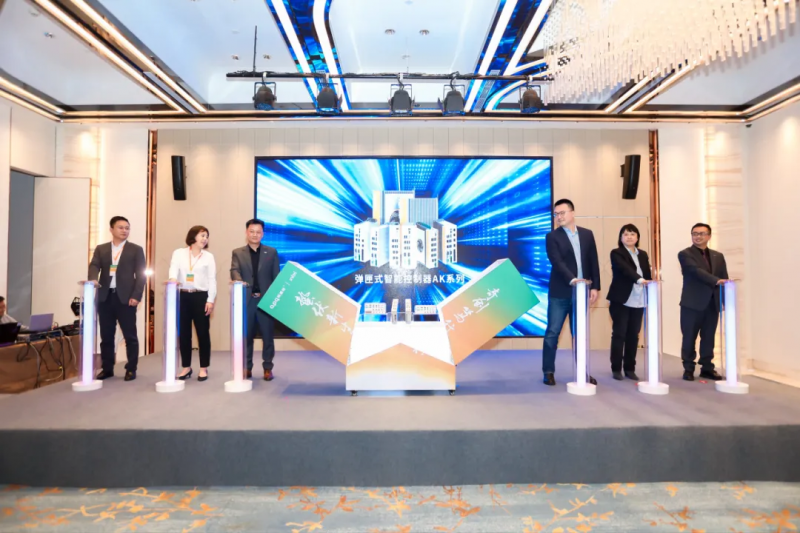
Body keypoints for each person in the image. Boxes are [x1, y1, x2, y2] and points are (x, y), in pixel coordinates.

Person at [542, 199, 601, 386]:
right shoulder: (552, 237)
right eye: (556, 214)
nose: (559, 217)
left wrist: (595, 286)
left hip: (582, 293)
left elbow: (593, 261)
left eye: (562, 213)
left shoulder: (587, 234)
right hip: (560, 292)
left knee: (580, 334)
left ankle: (582, 372)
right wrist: (573, 279)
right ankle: (548, 371)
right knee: (553, 332)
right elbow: (556, 262)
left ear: (572, 213)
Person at [88, 216, 146, 381]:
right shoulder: (101, 249)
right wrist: (93, 279)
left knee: (130, 336)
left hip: (126, 298)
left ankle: (131, 368)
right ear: (111, 229)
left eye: (127, 228)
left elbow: (141, 275)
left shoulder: (135, 249)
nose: (124, 231)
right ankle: (107, 368)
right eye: (120, 227)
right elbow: (94, 265)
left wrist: (136, 295)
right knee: (106, 336)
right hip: (105, 297)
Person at [230, 219, 280, 381]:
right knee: (247, 336)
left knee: (268, 336)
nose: (255, 235)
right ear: (246, 232)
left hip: (266, 301)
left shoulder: (271, 252)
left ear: (262, 234)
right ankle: (247, 367)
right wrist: (239, 281)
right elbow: (234, 270)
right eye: (252, 231)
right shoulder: (238, 252)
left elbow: (276, 276)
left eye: (258, 232)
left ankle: (268, 368)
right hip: (247, 300)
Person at [678, 223, 728, 381]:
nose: (698, 236)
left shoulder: (718, 256)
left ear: (709, 236)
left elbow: (724, 278)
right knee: (689, 337)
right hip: (692, 303)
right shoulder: (685, 254)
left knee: (709, 337)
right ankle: (688, 368)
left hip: (712, 303)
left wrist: (724, 301)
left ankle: (707, 368)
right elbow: (695, 271)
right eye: (695, 233)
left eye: (701, 233)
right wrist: (716, 280)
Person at [169, 226, 217, 382]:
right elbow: (173, 270)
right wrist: (172, 280)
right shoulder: (179, 253)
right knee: (184, 334)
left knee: (203, 333)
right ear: (193, 236)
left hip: (201, 296)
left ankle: (203, 367)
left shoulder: (208, 257)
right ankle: (186, 367)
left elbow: (212, 280)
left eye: (207, 236)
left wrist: (210, 300)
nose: (205, 239)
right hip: (182, 296)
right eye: (202, 235)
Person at [606, 224, 652, 381]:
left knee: (633, 335)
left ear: (637, 237)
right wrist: (639, 279)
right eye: (626, 234)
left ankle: (630, 368)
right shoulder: (616, 253)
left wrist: (650, 283)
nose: (629, 237)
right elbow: (625, 269)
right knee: (619, 334)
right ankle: (616, 368)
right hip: (621, 299)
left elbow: (647, 274)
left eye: (632, 234)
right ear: (621, 238)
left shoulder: (643, 254)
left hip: (639, 300)